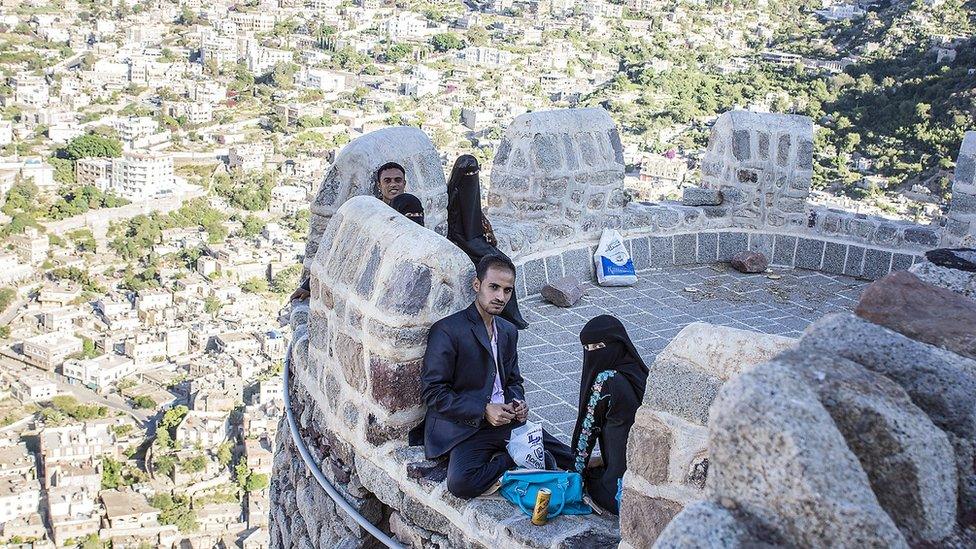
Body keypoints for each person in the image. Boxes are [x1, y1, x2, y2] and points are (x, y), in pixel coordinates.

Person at [421, 254, 573, 499]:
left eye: (507, 290)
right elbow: (433, 392)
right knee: (460, 484)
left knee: (569, 458)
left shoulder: (508, 331)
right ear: (476, 285)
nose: (500, 297)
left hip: (506, 421)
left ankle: (590, 470)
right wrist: (483, 409)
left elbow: (513, 380)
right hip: (466, 426)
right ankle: (512, 458)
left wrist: (517, 402)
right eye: (494, 287)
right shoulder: (448, 330)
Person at [290, 162, 412, 301]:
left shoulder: (412, 209)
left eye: (398, 180)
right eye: (387, 180)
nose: (393, 184)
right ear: (379, 185)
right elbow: (341, 249)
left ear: (404, 183)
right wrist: (308, 286)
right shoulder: (370, 212)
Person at [569, 315, 649, 514]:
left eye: (598, 347)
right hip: (644, 475)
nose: (592, 354)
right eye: (587, 348)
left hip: (621, 489)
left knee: (591, 479)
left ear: (616, 344)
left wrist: (574, 478)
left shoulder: (606, 380)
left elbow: (587, 434)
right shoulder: (639, 374)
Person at [446, 154, 529, 330]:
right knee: (496, 263)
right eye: (468, 174)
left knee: (505, 264)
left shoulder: (469, 191)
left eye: (474, 173)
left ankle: (511, 313)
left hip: (476, 239)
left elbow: (476, 216)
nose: (472, 177)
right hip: (465, 242)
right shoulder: (454, 195)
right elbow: (457, 229)